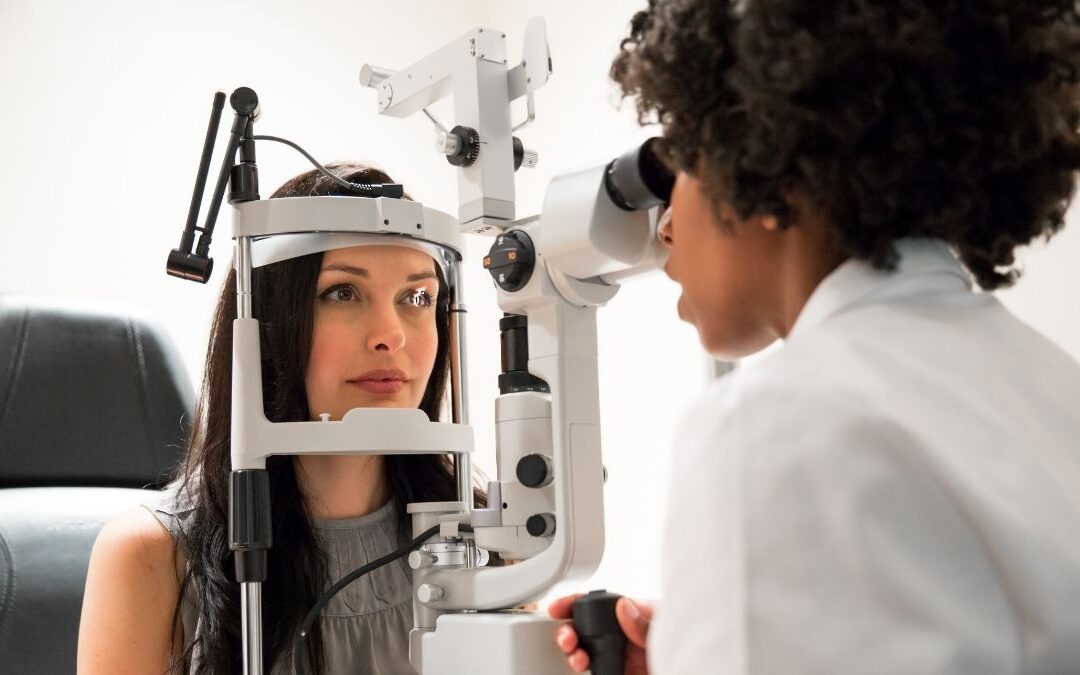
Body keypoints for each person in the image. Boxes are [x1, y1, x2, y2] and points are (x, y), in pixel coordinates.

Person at [552, 1, 1080, 673]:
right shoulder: (1049, 381)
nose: (663, 228)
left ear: (765, 160)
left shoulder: (777, 422)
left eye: (679, 160)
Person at [78, 163, 487, 674]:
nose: (391, 335)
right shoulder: (151, 558)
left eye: (416, 297)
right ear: (266, 326)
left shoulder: (482, 536)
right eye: (342, 293)